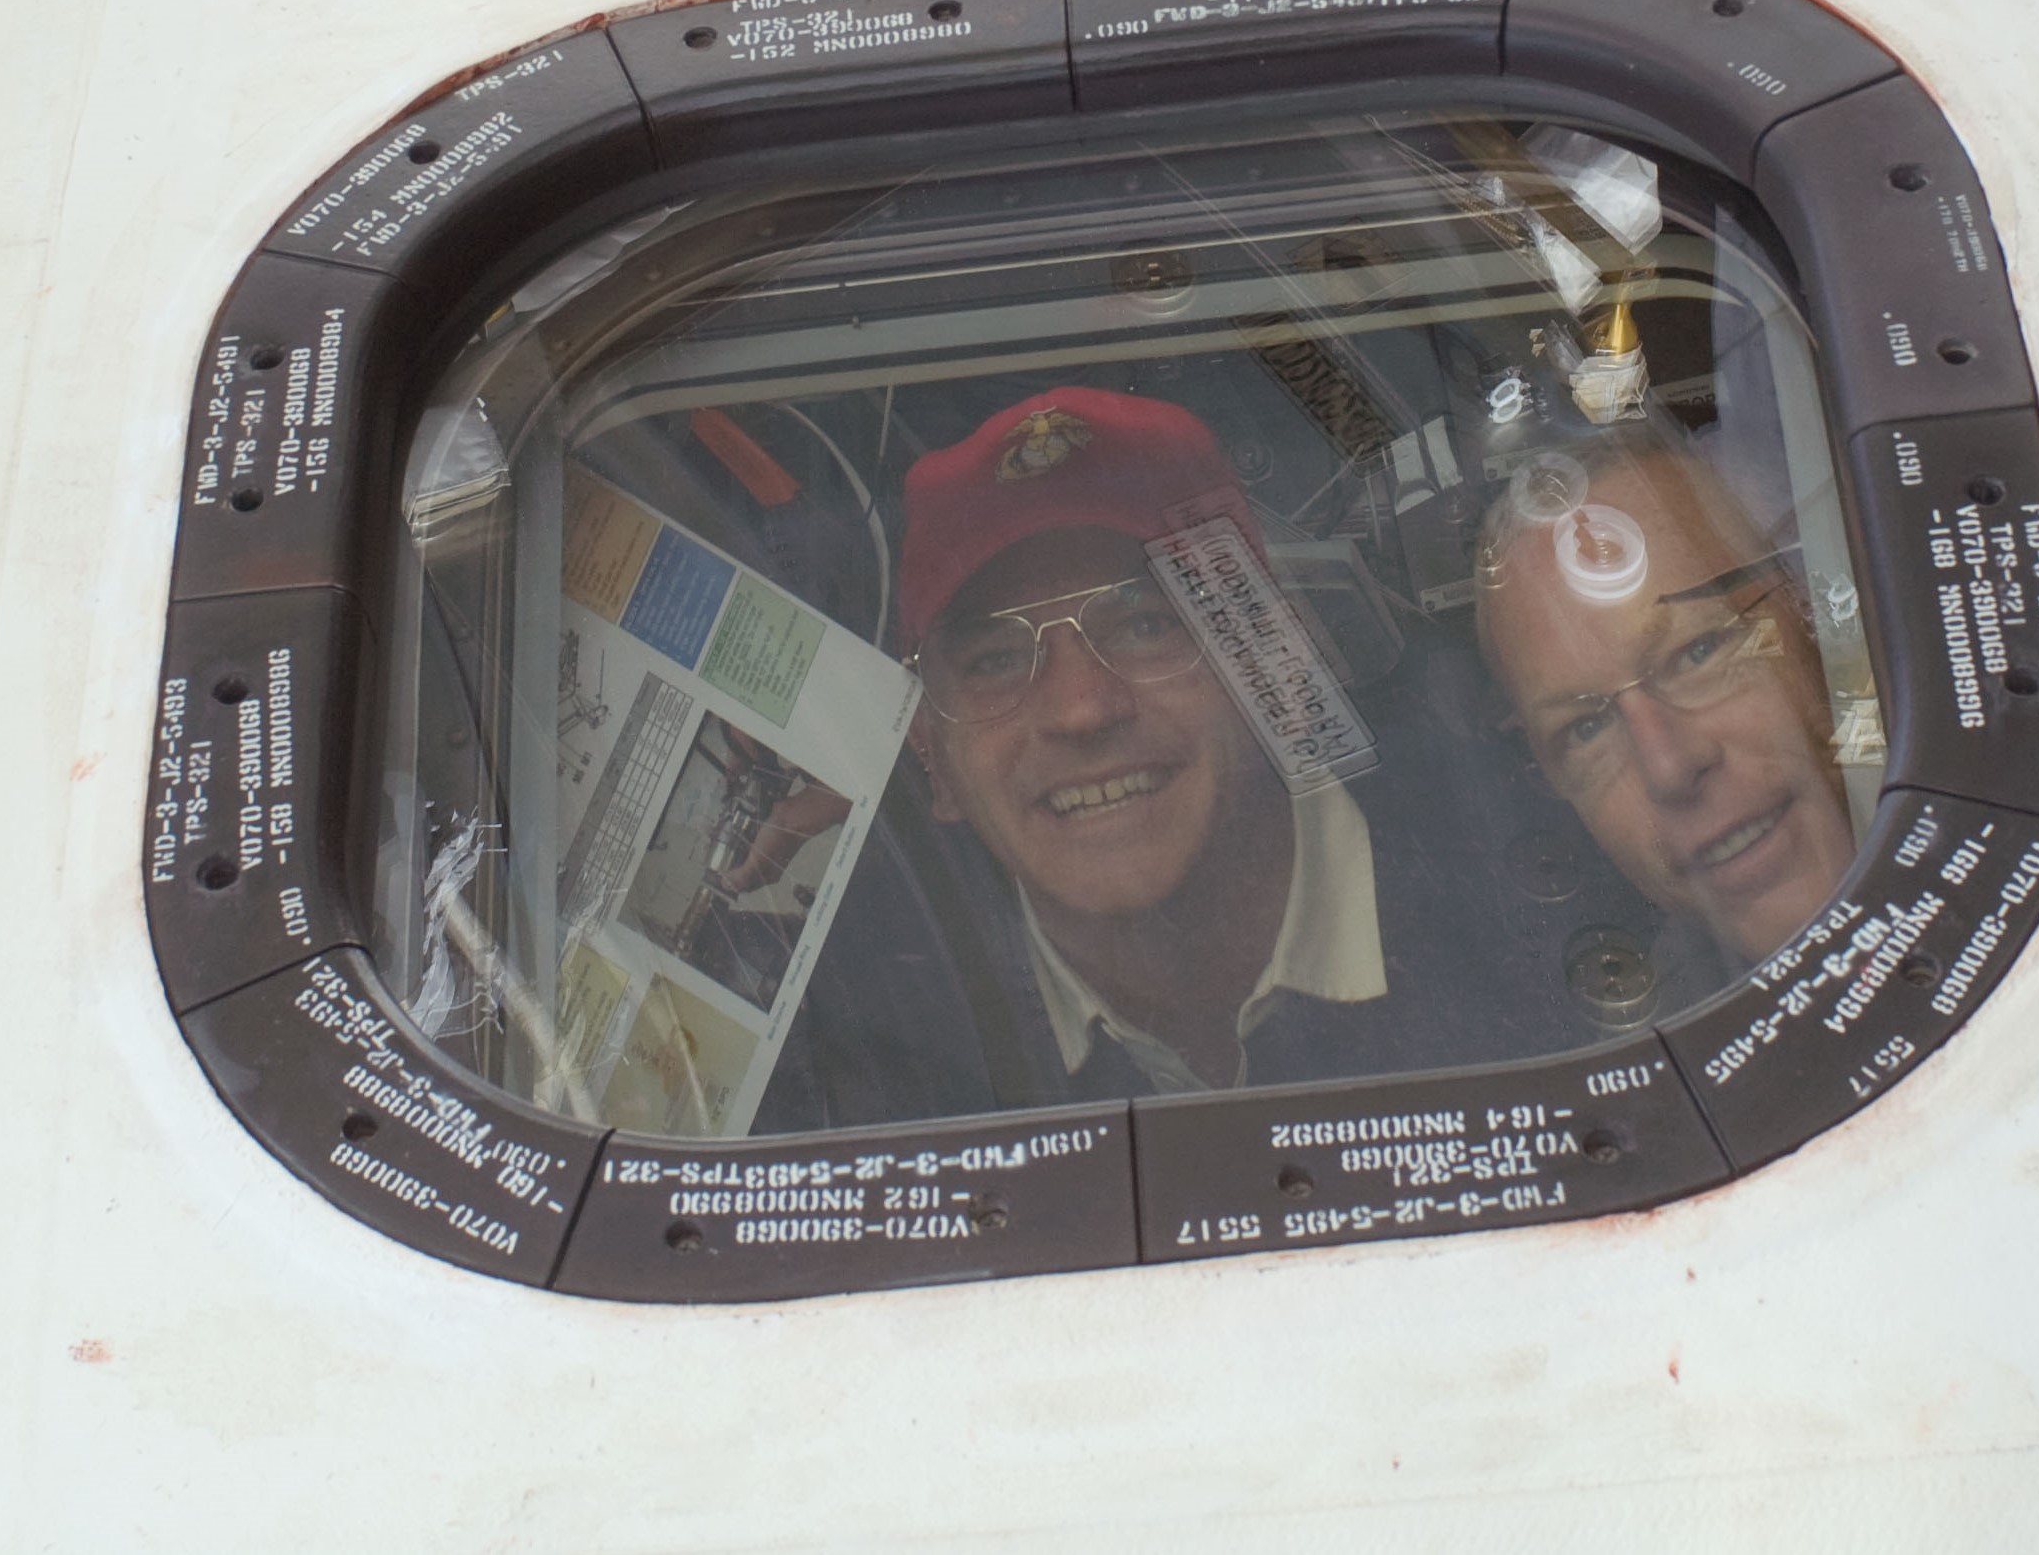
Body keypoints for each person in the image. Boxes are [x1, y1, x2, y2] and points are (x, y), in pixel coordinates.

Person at [755, 383, 1587, 1121]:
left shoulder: (1550, 916)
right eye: (995, 659)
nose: (1080, 707)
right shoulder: (863, 1047)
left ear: (1282, 673)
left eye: (1151, 622)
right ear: (932, 754)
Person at [1472, 437, 1856, 973]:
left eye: (1696, 654)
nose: (1669, 768)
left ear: (1816, 622)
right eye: (1585, 729)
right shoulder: (1653, 1041)